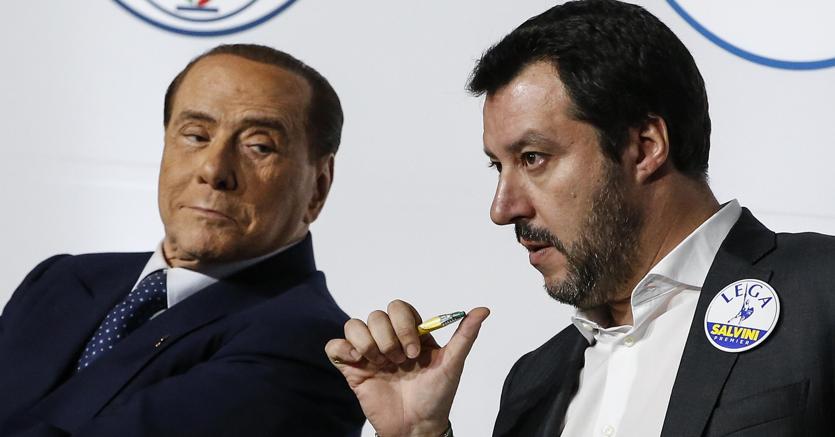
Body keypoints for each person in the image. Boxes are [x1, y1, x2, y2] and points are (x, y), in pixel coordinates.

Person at [325, 1, 835, 436]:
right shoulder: (534, 384)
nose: (502, 209)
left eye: (533, 158)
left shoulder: (821, 290)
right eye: (498, 166)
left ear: (645, 146)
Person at [0, 44, 364, 436]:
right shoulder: (62, 278)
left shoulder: (316, 346)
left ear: (318, 187)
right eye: (195, 135)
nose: (214, 169)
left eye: (259, 146)